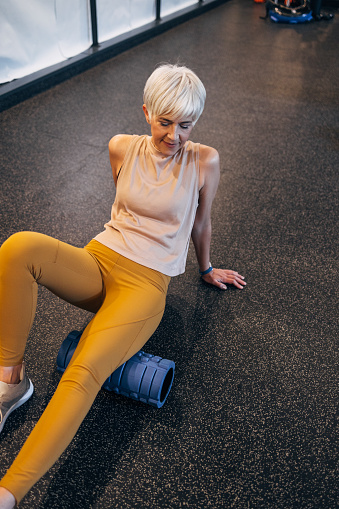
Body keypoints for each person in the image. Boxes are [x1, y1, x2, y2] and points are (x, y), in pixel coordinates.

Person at [0, 63, 246, 508]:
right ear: (147, 112)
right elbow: (123, 213)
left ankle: (9, 493)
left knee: (84, 371)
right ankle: (11, 380)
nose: (174, 135)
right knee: (18, 248)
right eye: (165, 122)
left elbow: (201, 221)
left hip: (145, 286)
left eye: (186, 125)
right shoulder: (120, 148)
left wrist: (206, 268)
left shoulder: (204, 160)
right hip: (99, 259)